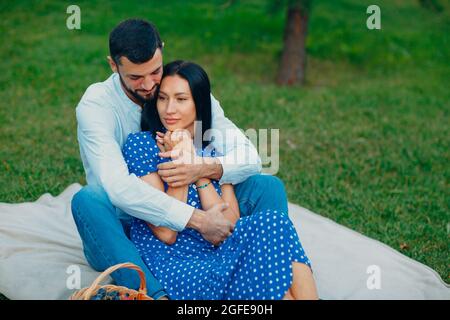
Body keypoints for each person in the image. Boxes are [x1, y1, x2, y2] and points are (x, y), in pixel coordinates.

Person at [71, 18, 303, 300]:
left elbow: (250, 156)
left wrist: (199, 169)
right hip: (124, 225)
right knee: (88, 199)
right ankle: (152, 294)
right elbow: (118, 187)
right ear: (113, 65)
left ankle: (287, 282)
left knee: (268, 186)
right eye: (135, 77)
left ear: (162, 51)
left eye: (155, 71)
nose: (148, 86)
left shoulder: (177, 88)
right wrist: (198, 220)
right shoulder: (96, 105)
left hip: (191, 206)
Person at [123, 60, 318, 300]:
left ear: (199, 104)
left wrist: (198, 168)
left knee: (273, 222)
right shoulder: (140, 145)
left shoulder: (211, 150)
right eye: (163, 98)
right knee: (265, 273)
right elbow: (166, 232)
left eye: (181, 99)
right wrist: (180, 158)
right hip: (176, 263)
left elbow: (228, 224)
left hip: (216, 252)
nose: (169, 109)